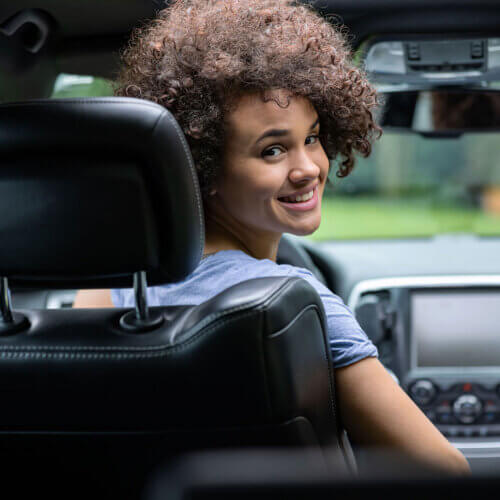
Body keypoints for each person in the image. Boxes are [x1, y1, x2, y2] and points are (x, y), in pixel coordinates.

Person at [74, 0, 469, 475]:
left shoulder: (110, 291)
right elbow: (445, 473)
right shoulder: (301, 308)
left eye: (314, 137)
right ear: (203, 166)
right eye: (273, 150)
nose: (307, 169)